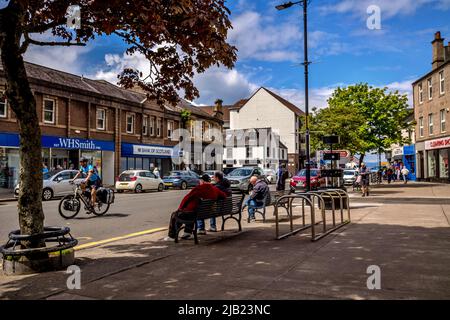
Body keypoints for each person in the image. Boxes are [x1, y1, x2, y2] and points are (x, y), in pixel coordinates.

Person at [165, 174, 227, 240]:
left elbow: (186, 198)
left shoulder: (198, 188)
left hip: (194, 213)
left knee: (175, 215)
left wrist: (180, 209)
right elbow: (224, 196)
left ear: (202, 181)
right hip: (206, 213)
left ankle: (172, 236)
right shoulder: (215, 189)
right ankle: (187, 233)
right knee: (189, 212)